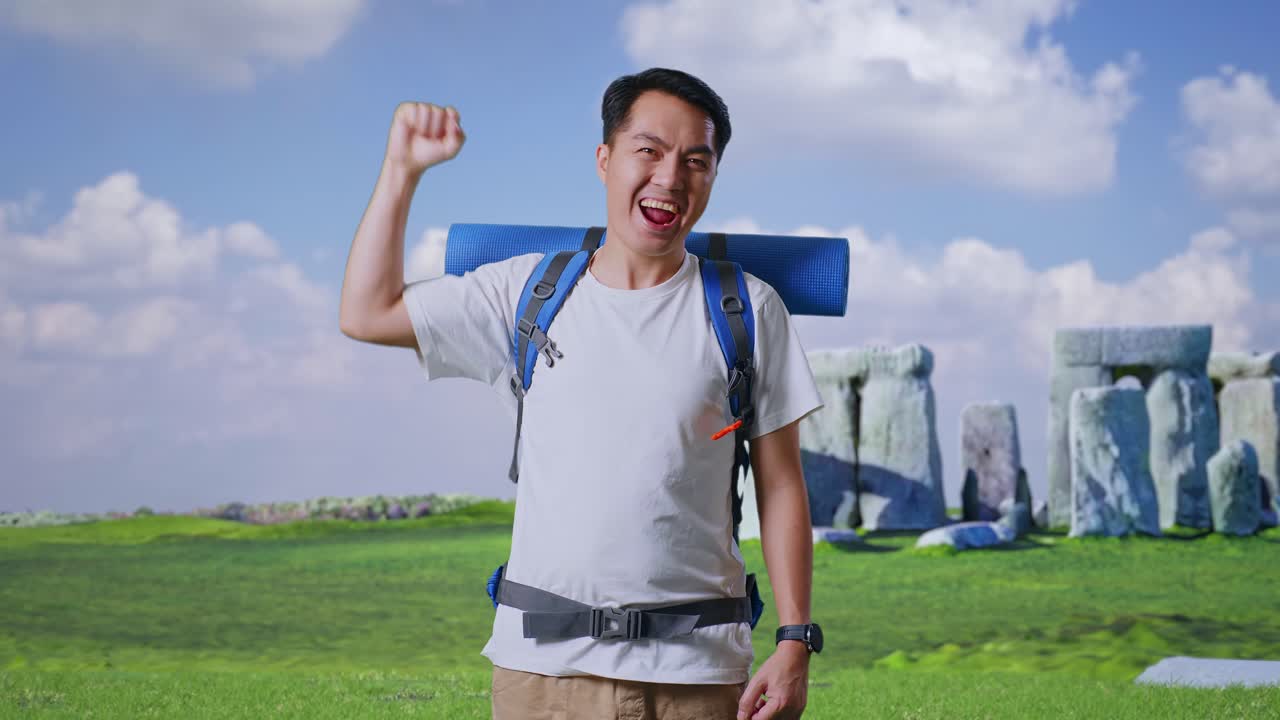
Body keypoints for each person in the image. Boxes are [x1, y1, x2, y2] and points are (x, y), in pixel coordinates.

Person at [339, 67, 823, 720]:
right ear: (605, 159)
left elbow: (783, 484)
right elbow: (367, 313)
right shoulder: (523, 295)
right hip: (543, 677)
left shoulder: (748, 309)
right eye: (648, 151)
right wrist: (402, 170)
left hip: (702, 678)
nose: (670, 177)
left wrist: (795, 640)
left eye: (695, 161)